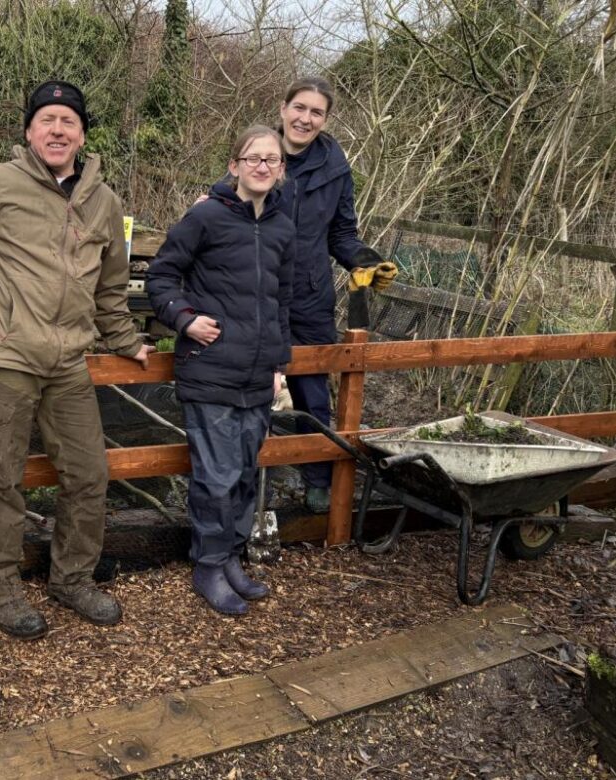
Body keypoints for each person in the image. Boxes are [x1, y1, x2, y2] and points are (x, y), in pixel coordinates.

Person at [0, 80, 155, 640]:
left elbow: (111, 288)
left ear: (83, 135)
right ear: (29, 131)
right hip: (4, 357)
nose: (57, 130)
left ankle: (72, 579)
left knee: (90, 474)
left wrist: (126, 340)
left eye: (68, 121)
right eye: (47, 120)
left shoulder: (104, 200)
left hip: (69, 361)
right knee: (3, 478)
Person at [147, 125, 294, 615]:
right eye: (252, 158)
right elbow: (161, 274)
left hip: (257, 374)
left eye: (271, 160)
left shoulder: (281, 227)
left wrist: (278, 364)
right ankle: (208, 564)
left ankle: (231, 556)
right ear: (234, 166)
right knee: (216, 474)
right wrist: (185, 320)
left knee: (246, 473)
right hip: (210, 369)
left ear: (281, 170)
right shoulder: (205, 217)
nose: (261, 166)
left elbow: (281, 301)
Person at [271, 77, 397, 512]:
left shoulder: (334, 165)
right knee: (248, 383)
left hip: (309, 293)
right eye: (299, 107)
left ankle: (318, 479)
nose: (305, 118)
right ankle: (247, 481)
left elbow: (342, 232)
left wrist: (365, 260)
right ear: (283, 108)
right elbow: (226, 202)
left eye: (316, 112)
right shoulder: (261, 152)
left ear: (325, 119)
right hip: (258, 289)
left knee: (312, 390)